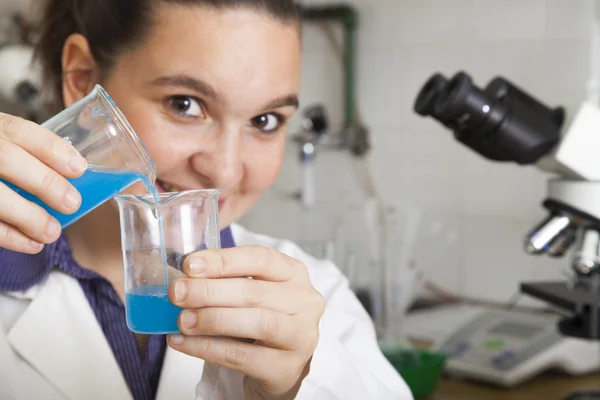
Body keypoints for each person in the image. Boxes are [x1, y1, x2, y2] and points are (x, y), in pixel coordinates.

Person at [0, 1, 414, 399]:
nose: (225, 171)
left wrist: (298, 386)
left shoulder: (318, 301)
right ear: (83, 78)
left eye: (265, 121)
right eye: (185, 104)